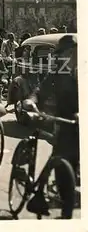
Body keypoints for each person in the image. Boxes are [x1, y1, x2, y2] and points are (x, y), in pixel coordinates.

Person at [22, 35, 78, 219]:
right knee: (62, 164)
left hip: (79, 124)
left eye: (71, 52)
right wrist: (31, 100)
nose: (68, 56)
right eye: (65, 53)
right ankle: (62, 210)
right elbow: (42, 89)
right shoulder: (58, 72)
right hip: (63, 122)